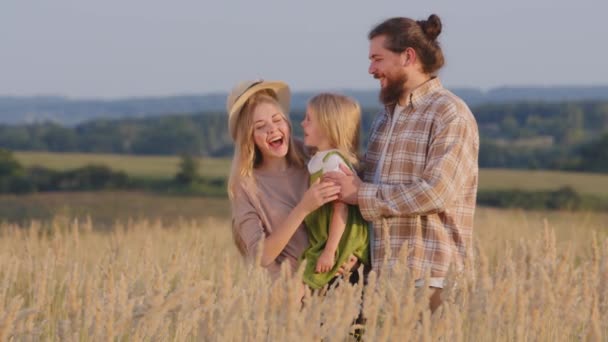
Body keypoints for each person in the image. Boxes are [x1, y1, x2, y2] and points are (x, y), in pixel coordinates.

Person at [325, 14, 479, 312]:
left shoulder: (450, 114)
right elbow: (362, 181)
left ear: (408, 56)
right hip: (384, 281)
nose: (371, 69)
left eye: (377, 59)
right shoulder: (384, 118)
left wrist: (360, 194)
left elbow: (436, 192)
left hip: (432, 281)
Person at [227, 80, 355, 279]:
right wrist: (303, 208)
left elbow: (350, 203)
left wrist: (350, 253)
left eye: (277, 120)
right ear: (249, 138)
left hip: (339, 284)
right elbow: (261, 256)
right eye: (260, 126)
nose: (272, 129)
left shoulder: (315, 157)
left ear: (287, 123)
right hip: (295, 293)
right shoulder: (246, 186)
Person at [299, 93, 370, 290]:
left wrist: (330, 251)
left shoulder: (332, 161)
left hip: (340, 241)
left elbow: (341, 208)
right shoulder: (318, 159)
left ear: (327, 127)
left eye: (309, 119)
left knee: (307, 281)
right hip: (327, 238)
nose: (302, 124)